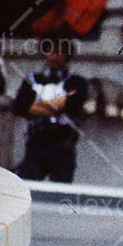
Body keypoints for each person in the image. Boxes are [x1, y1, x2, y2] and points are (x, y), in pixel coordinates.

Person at [12, 30, 89, 182]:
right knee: (29, 186)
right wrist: (57, 105)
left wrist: (36, 106)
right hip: (36, 143)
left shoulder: (76, 81)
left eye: (59, 52)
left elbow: (73, 104)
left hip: (63, 145)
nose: (54, 57)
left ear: (67, 55)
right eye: (50, 51)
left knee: (61, 191)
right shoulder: (32, 79)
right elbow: (20, 106)